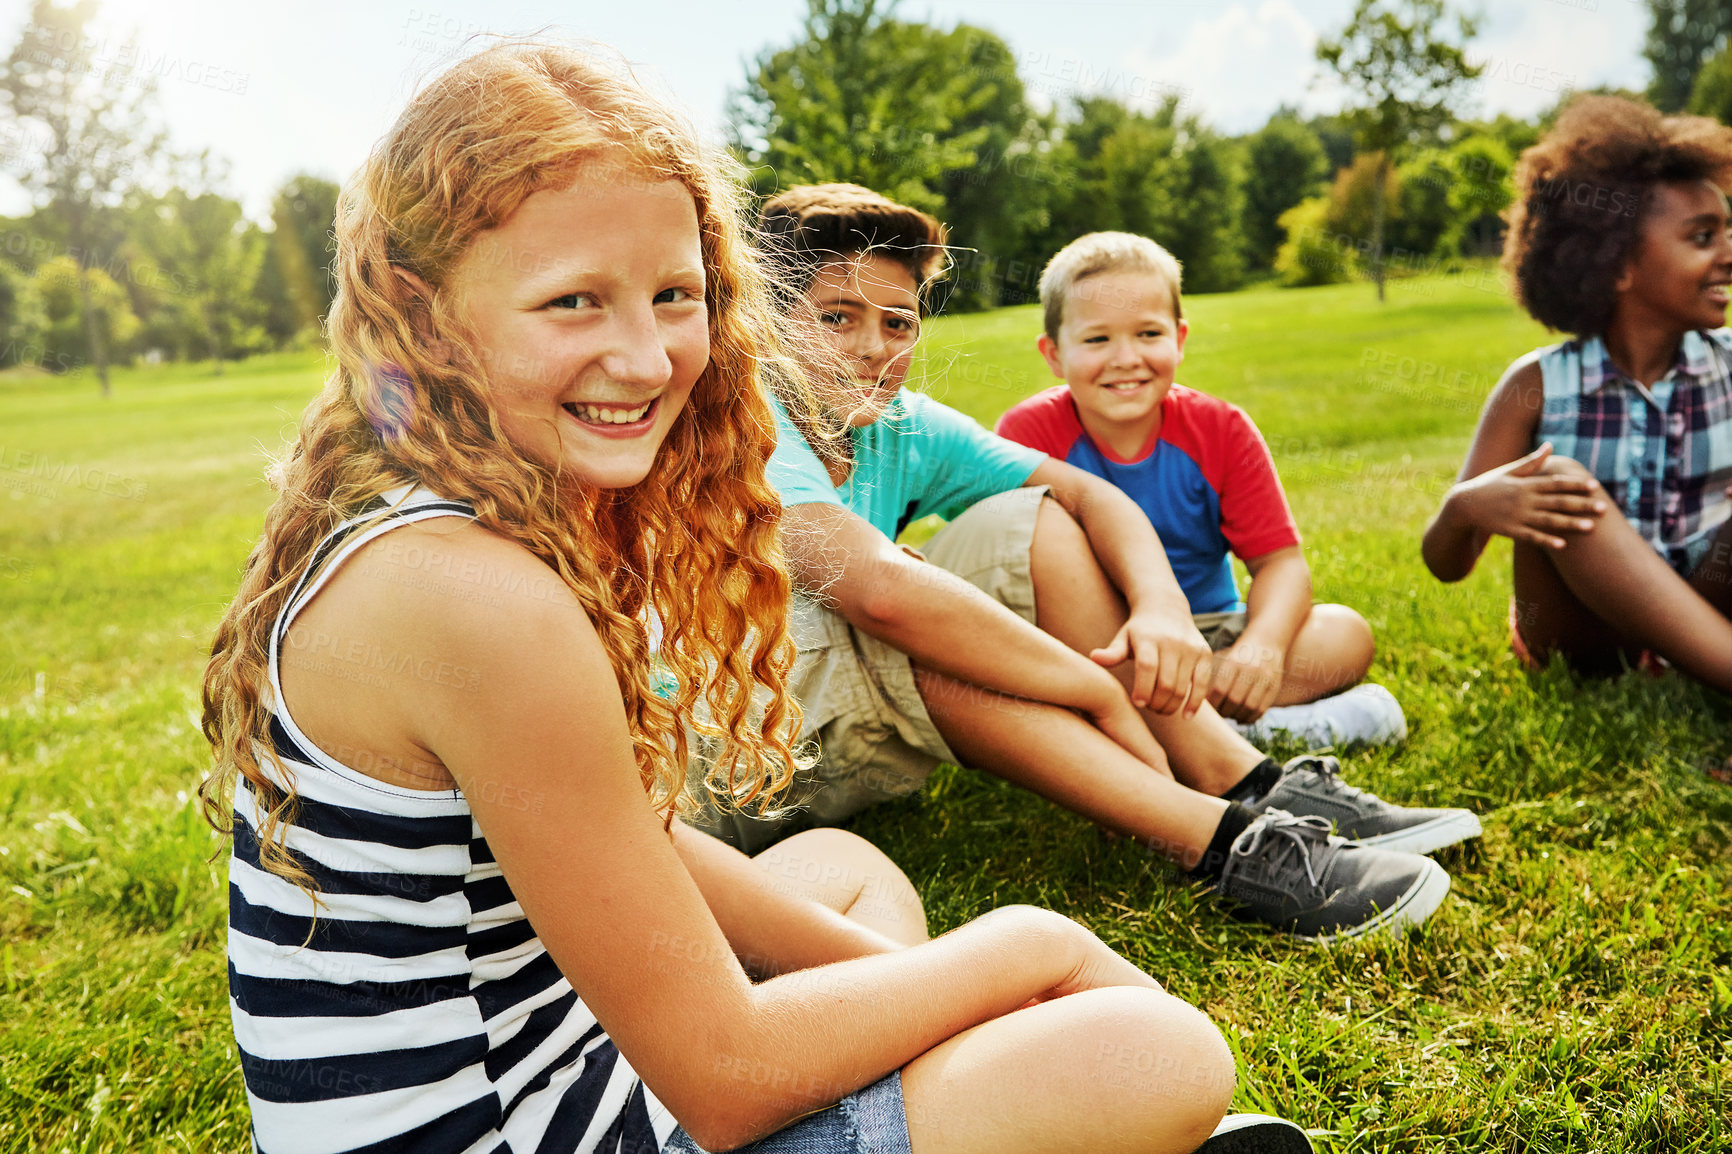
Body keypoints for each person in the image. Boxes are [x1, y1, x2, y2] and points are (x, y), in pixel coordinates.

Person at [197, 41, 1317, 1154]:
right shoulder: (475, 597)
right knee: (1154, 1053)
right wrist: (1027, 954)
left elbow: (645, 844)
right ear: (424, 312)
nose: (643, 358)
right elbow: (726, 1079)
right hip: (542, 1127)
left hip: (568, 1058)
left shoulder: (451, 516)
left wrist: (941, 993)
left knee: (846, 873)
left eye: (675, 294)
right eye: (573, 300)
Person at [687, 182, 1479, 944]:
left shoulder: (903, 423)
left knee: (1032, 516)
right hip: (716, 764)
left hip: (820, 715)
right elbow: (884, 596)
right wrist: (1095, 689)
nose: (873, 348)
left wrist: (1162, 609)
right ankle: (1220, 841)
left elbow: (1094, 499)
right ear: (766, 320)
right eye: (836, 317)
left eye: (899, 322)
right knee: (916, 617)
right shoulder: (746, 425)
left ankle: (1233, 772)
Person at [996, 231, 1406, 750]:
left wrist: (1261, 648)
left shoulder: (1221, 430)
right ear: (1054, 354)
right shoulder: (1026, 434)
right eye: (1097, 340)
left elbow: (1281, 563)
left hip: (1207, 636)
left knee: (1342, 634)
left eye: (1148, 334)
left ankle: (1184, 727)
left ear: (1180, 339)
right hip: (1091, 646)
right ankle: (1240, 734)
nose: (1126, 358)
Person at [1421, 95, 1732, 708]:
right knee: (1560, 481)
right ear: (1615, 265)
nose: (1728, 253)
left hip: (1705, 597)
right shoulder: (1535, 385)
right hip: (1579, 635)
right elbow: (1445, 562)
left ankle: (1702, 659)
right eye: (1702, 238)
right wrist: (1466, 509)